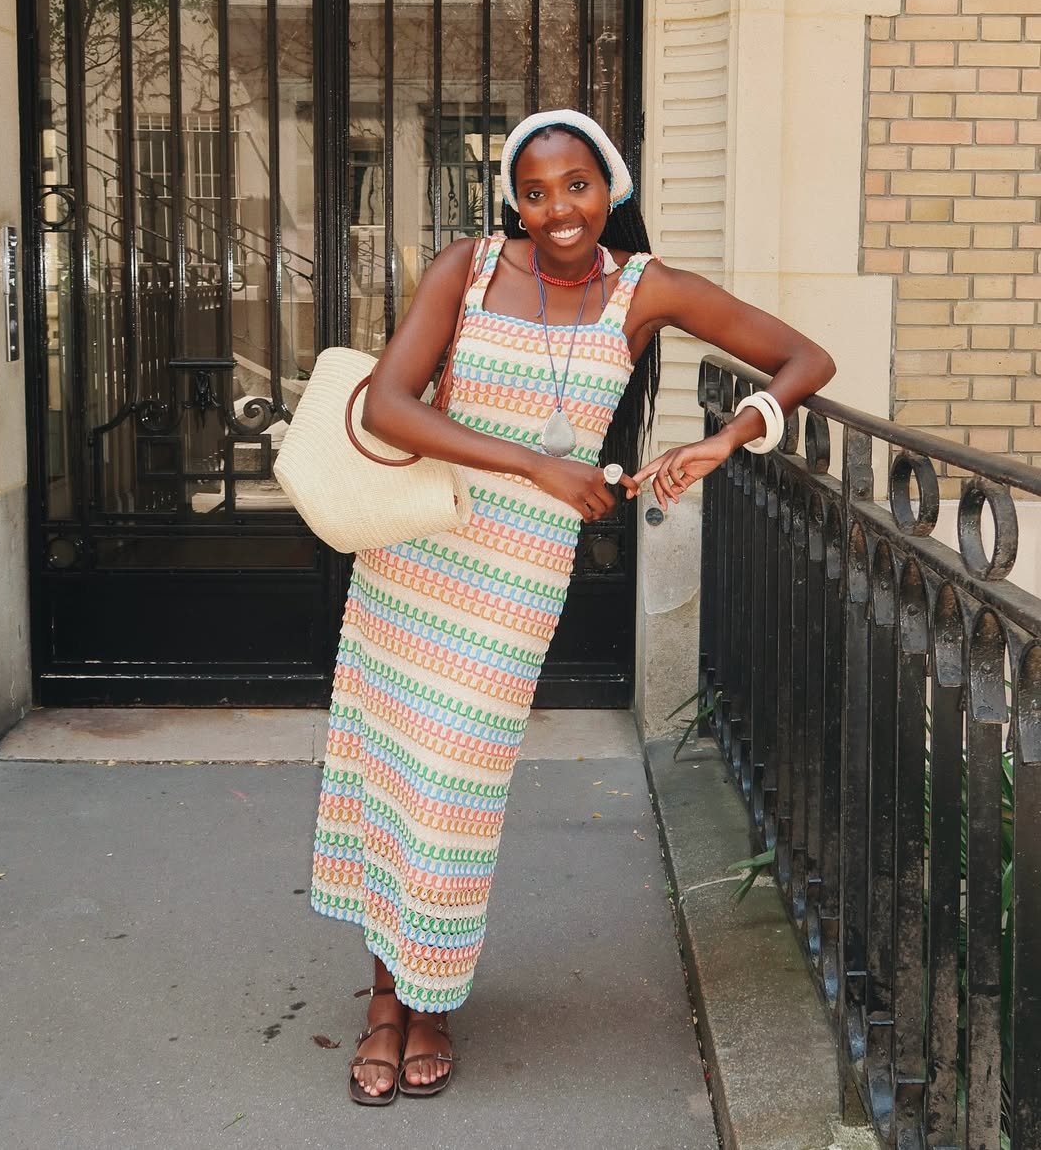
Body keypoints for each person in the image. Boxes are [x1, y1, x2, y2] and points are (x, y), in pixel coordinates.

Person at [310, 109, 836, 1104]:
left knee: (455, 781)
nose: (561, 209)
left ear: (612, 188)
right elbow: (387, 402)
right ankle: (390, 1003)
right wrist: (539, 463)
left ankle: (430, 995)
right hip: (415, 553)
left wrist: (727, 439)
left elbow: (804, 359)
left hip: (514, 579)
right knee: (394, 771)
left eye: (580, 186)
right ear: (516, 197)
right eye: (539, 190)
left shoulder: (646, 289)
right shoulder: (466, 267)